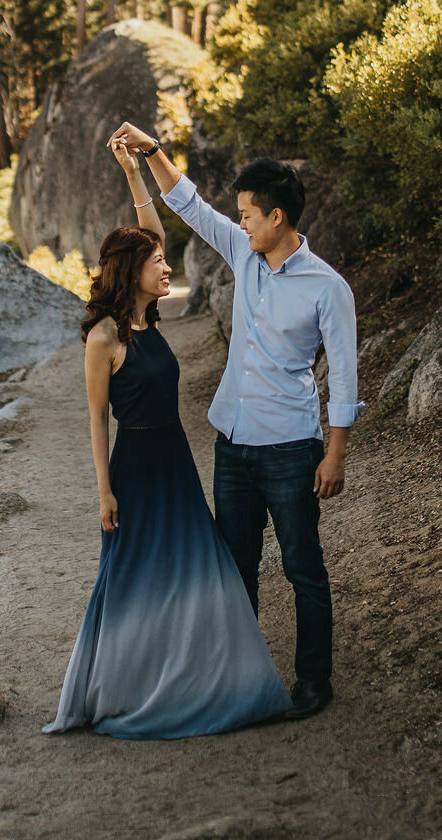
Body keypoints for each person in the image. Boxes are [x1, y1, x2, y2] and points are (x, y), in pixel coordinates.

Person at [107, 123, 359, 722]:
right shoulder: (245, 257)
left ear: (276, 217)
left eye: (247, 214)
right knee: (234, 570)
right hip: (234, 446)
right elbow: (188, 204)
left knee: (303, 568)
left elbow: (345, 378)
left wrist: (335, 453)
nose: (239, 222)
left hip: (293, 449)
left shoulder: (328, 288)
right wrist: (151, 153)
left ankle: (314, 680)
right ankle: (238, 679)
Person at [43, 140, 291, 740]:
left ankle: (208, 678)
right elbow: (98, 420)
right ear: (134, 272)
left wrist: (134, 172)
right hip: (136, 470)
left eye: (165, 260)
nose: (167, 267)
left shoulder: (147, 319)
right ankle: (117, 689)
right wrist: (104, 492)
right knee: (131, 576)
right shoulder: (103, 337)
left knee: (199, 567)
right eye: (157, 263)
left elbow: (151, 226)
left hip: (176, 463)